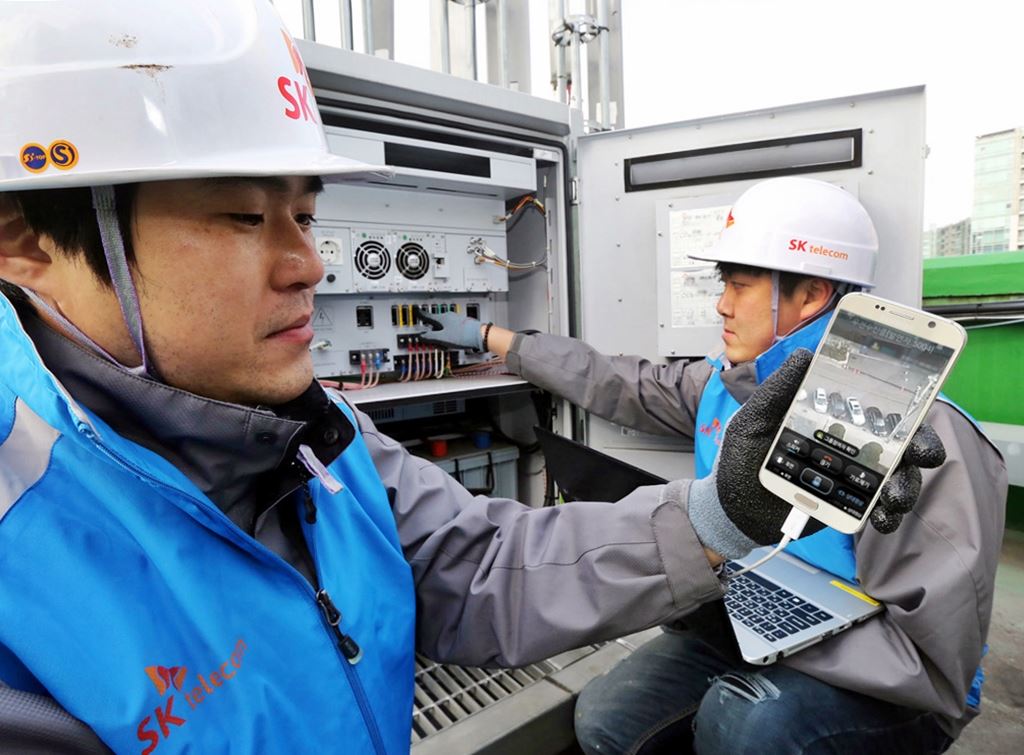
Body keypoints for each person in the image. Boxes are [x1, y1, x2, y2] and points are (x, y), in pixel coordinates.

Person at [0, 2, 937, 753]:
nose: (310, 265)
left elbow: (485, 563)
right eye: (246, 217)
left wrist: (719, 517)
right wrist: (499, 339)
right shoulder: (25, 536)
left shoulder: (320, 438)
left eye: (305, 215)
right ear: (26, 242)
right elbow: (617, 379)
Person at [421, 177, 1007, 753]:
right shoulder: (728, 383)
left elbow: (934, 659)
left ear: (811, 296)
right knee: (604, 719)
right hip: (751, 610)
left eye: (740, 286)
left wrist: (787, 638)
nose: (721, 304)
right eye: (724, 283)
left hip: (887, 676)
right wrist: (489, 335)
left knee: (744, 727)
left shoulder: (923, 441)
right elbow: (620, 382)